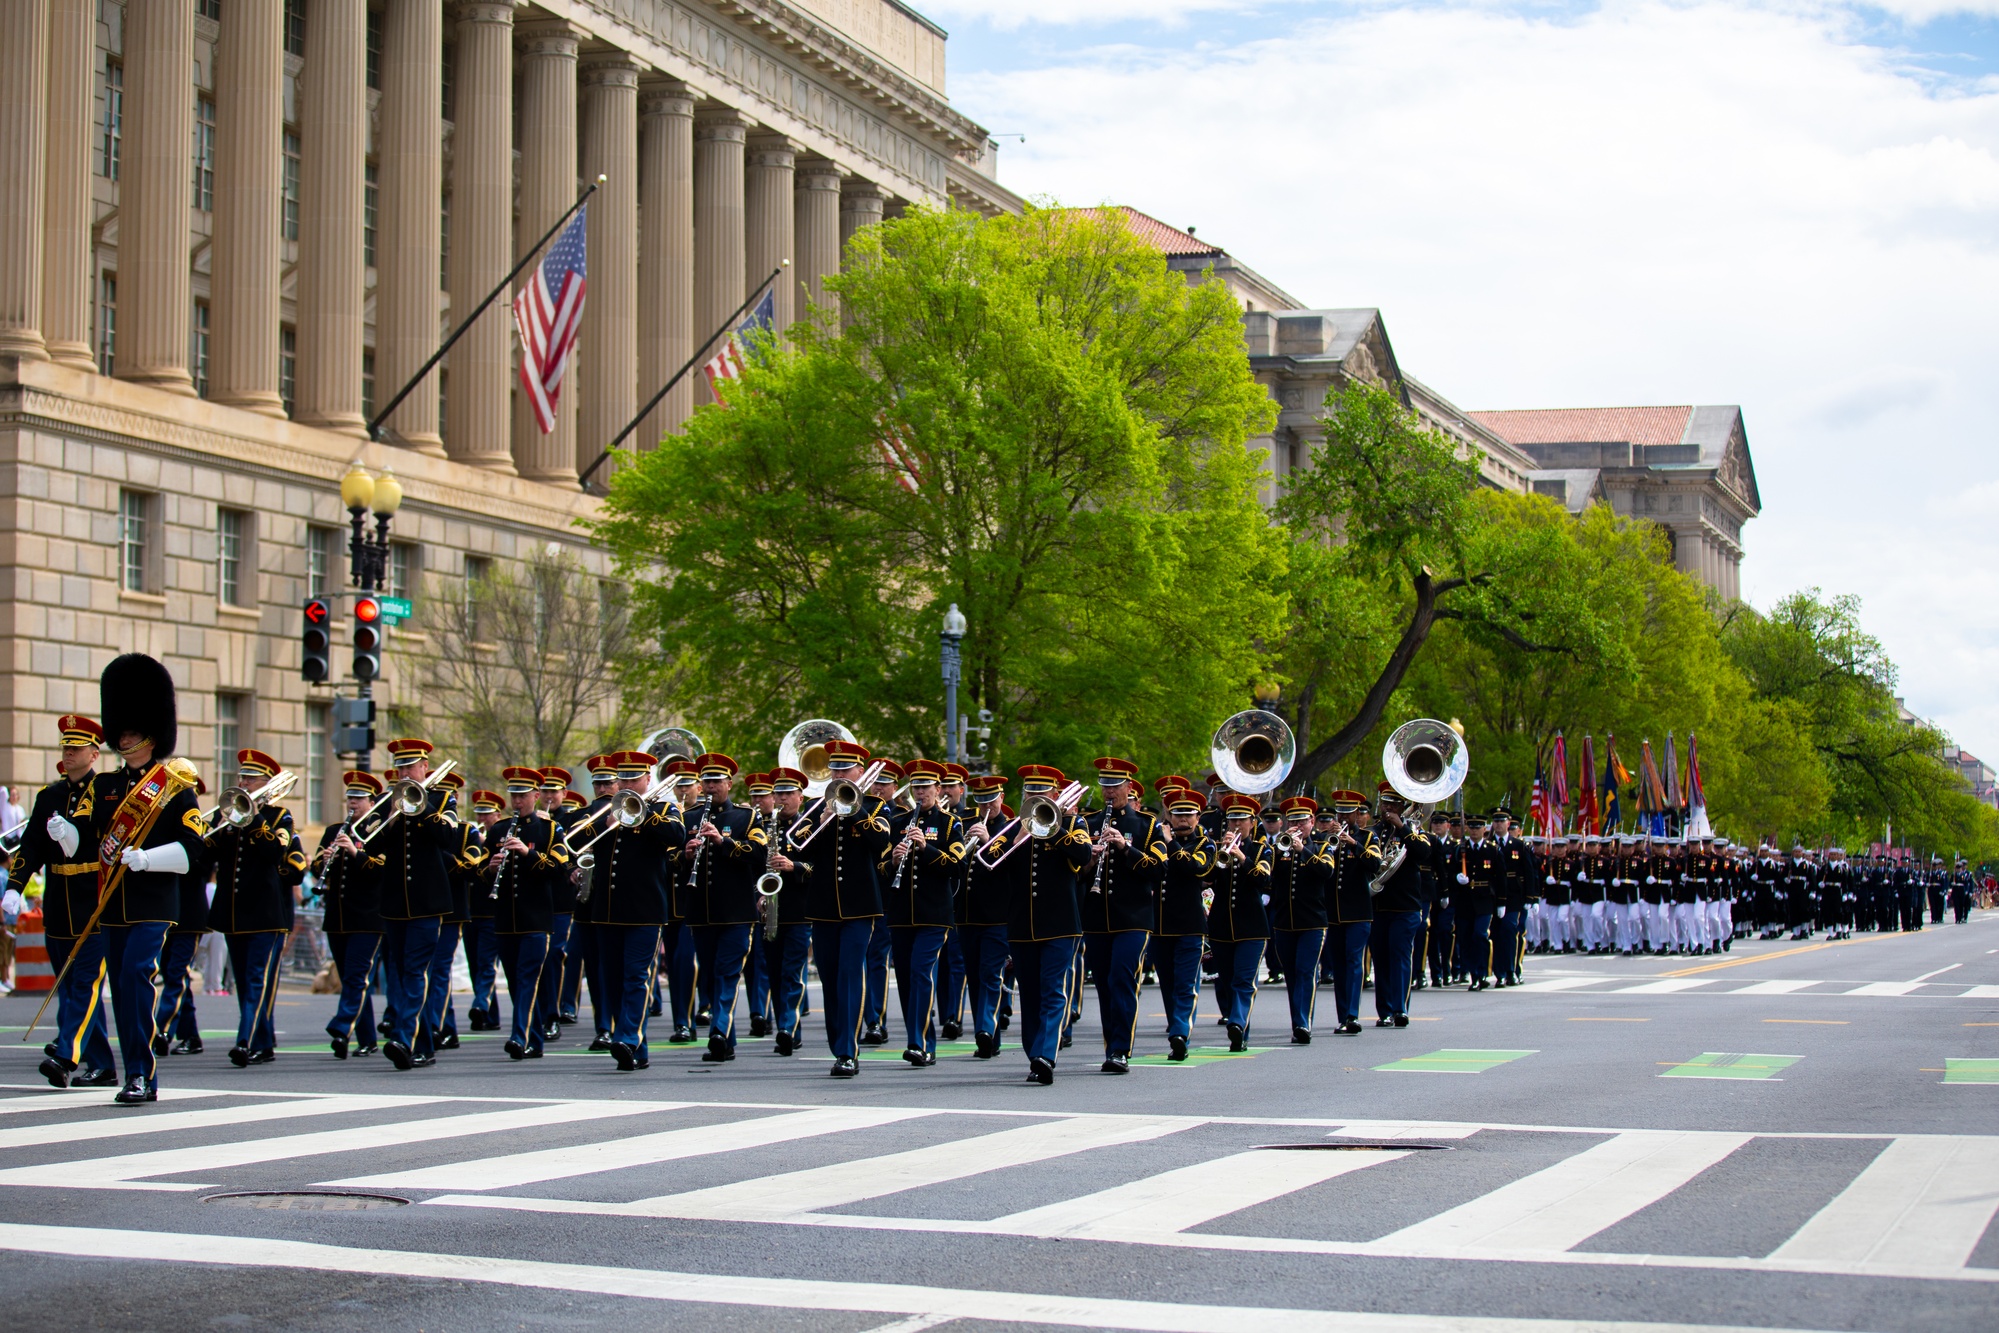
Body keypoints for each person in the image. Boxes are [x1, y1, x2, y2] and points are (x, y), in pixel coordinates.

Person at [90, 654, 205, 1104]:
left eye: (132, 734)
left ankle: (143, 1073)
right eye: (120, 733)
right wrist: (65, 834)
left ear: (151, 736)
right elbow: (92, 839)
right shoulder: (105, 786)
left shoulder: (177, 788)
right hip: (113, 904)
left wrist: (148, 858)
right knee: (120, 988)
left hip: (155, 902)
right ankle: (131, 1070)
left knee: (138, 975)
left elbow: (192, 849)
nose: (124, 739)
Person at [14, 714, 117, 1088]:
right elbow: (30, 848)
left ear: (94, 754)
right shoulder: (50, 796)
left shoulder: (107, 792)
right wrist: (15, 886)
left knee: (85, 985)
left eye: (76, 748)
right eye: (66, 748)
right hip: (59, 903)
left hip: (94, 902)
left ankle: (66, 1055)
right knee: (70, 986)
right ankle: (103, 1065)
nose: (69, 753)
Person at [204, 748, 309, 1067]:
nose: (244, 782)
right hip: (234, 913)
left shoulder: (280, 817)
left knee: (255, 981)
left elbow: (273, 852)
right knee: (243, 981)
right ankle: (263, 1042)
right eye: (242, 777)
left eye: (250, 778)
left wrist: (252, 817)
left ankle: (245, 1039)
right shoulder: (228, 816)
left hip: (264, 915)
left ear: (266, 783)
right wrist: (219, 824)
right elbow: (206, 853)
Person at [992, 765, 1090, 1084]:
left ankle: (1046, 1054)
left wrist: (1055, 829)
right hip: (1022, 925)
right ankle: (1034, 1054)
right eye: (1030, 792)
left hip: (1060, 923)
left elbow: (1083, 854)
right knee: (1030, 994)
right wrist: (1017, 839)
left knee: (1052, 991)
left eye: (1042, 792)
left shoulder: (1074, 823)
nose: (1035, 797)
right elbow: (990, 869)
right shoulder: (1011, 828)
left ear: (1054, 795)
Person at [800, 740, 892, 1077]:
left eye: (845, 768)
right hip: (823, 906)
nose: (839, 773)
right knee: (829, 978)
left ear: (860, 772)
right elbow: (800, 850)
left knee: (851, 974)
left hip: (859, 907)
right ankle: (837, 1043)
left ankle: (848, 1051)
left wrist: (854, 812)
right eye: (835, 768)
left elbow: (881, 842)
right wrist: (823, 820)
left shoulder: (875, 806)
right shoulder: (815, 806)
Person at [593, 751, 686, 1071]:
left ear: (648, 779)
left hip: (645, 909)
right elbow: (571, 841)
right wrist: (603, 824)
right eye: (624, 779)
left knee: (636, 977)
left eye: (635, 778)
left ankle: (628, 1037)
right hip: (607, 910)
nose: (628, 784)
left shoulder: (664, 807)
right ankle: (637, 1049)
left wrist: (643, 813)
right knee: (614, 980)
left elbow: (677, 835)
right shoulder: (603, 809)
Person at [374, 737, 459, 1071]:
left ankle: (404, 1038)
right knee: (403, 974)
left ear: (425, 767)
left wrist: (421, 809)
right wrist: (392, 816)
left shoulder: (441, 798)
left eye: (410, 766)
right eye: (400, 767)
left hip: (427, 902)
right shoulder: (387, 802)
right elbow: (369, 843)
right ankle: (422, 1046)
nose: (405, 773)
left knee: (415, 972)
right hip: (395, 902)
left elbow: (448, 838)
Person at [1081, 757, 1163, 1073]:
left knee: (1121, 978)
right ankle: (1110, 1045)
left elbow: (1158, 869)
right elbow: (1076, 871)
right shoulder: (1087, 823)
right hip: (1097, 917)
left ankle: (1120, 1049)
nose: (1109, 792)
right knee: (1103, 982)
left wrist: (1125, 849)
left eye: (1115, 786)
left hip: (1133, 918)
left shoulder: (1147, 824)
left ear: (1129, 788)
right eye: (1105, 785)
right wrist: (1089, 857)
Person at [886, 759, 966, 1067]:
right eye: (916, 787)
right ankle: (921, 1039)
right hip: (901, 912)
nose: (921, 793)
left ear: (937, 789)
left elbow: (958, 866)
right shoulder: (898, 821)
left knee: (921, 972)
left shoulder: (949, 823)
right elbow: (880, 867)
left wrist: (927, 849)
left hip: (934, 914)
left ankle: (917, 1042)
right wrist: (893, 860)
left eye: (926, 787)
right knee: (906, 979)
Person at [679, 752, 757, 1063]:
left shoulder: (745, 817)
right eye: (706, 782)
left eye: (716, 781)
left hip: (736, 912)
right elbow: (670, 862)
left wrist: (723, 843)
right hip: (701, 911)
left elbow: (759, 852)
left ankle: (719, 1029)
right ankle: (726, 1042)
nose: (710, 787)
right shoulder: (688, 818)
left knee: (728, 973)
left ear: (729, 783)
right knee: (711, 976)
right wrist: (685, 854)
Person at [486, 767, 568, 1059]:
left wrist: (527, 853)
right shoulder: (498, 829)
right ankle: (535, 1041)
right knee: (514, 981)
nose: (517, 801)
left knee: (527, 979)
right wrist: (491, 868)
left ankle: (518, 1035)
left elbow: (558, 869)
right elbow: (480, 872)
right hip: (506, 918)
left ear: (536, 795)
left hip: (536, 918)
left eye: (523, 795)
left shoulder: (549, 829)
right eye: (514, 795)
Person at [318, 772, 389, 1058]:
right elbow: (315, 870)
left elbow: (381, 871)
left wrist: (355, 852)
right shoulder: (335, 829)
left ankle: (341, 1026)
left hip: (368, 918)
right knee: (351, 979)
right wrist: (324, 860)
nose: (353, 803)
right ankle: (367, 1038)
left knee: (357, 977)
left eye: (359, 799)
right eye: (350, 797)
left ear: (372, 802)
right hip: (338, 917)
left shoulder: (379, 832)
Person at [1204, 792, 1270, 1053]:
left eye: (1241, 820)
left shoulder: (1261, 849)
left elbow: (1262, 879)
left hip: (1252, 926)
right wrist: (1220, 852)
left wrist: (1241, 856)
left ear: (1252, 822)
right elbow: (1206, 878)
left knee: (1243, 980)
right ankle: (1239, 1030)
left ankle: (1238, 1023)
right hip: (1221, 926)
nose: (1236, 825)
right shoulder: (1219, 847)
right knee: (1229, 980)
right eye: (1232, 820)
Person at [1153, 785, 1214, 1061]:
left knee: (1185, 984)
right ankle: (1175, 1027)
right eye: (1178, 814)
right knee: (1167, 983)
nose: (1183, 820)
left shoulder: (1206, 844)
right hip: (1160, 924)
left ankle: (1180, 1033)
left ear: (1198, 817)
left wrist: (1171, 844)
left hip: (1190, 925)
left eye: (1189, 815)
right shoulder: (1157, 839)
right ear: (1169, 815)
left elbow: (1195, 868)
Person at [757, 766, 815, 1055]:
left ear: (800, 797)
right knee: (775, 972)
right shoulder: (766, 825)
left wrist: (796, 867)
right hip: (770, 909)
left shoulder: (811, 826)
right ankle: (785, 1026)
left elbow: (821, 867)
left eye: (788, 793)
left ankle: (788, 1028)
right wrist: (759, 893)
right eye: (777, 792)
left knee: (792, 972)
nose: (781, 798)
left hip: (799, 910)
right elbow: (754, 866)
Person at [1266, 795, 1332, 1044]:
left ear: (1312, 821)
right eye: (1293, 820)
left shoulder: (1322, 846)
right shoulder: (1278, 849)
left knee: (1306, 971)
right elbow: (1266, 874)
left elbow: (1326, 871)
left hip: (1313, 922)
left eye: (1302, 820)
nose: (1298, 825)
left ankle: (1304, 1022)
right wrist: (1280, 849)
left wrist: (1302, 849)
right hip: (1284, 921)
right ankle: (1298, 1023)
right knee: (1292, 974)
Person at [1367, 786, 1432, 1028]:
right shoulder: (1374, 832)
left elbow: (1423, 852)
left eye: (1393, 805)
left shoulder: (1414, 831)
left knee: (1401, 956)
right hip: (1379, 904)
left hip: (1406, 906)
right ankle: (1384, 1010)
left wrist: (1402, 827)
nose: (1387, 809)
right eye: (1385, 804)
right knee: (1381, 959)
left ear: (1402, 807)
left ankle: (1400, 1009)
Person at [959, 774, 1014, 1059]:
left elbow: (1005, 866)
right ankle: (991, 1038)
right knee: (975, 977)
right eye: (981, 801)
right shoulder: (969, 825)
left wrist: (988, 839)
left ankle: (983, 1029)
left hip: (996, 917)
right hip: (968, 916)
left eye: (991, 801)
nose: (986, 807)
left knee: (991, 974)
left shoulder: (1010, 829)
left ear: (1001, 799)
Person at [1454, 812, 1499, 990]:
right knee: (1465, 938)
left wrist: (1501, 902)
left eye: (1478, 827)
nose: (1474, 831)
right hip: (1465, 901)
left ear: (1484, 829)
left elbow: (1499, 877)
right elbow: (1449, 871)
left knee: (1480, 935)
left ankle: (1482, 973)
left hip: (1484, 900)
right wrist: (1457, 878)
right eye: (1471, 827)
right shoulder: (1461, 849)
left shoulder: (1492, 850)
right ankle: (1474, 975)